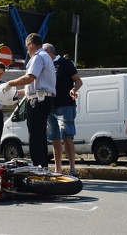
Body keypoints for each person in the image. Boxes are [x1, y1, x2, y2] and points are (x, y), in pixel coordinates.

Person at [4, 33, 56, 168]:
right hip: (43, 99)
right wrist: (17, 92)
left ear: (31, 44)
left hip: (38, 101)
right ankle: (42, 166)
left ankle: (38, 166)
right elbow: (34, 85)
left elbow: (30, 78)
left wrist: (9, 84)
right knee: (40, 135)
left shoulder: (37, 57)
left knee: (34, 136)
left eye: (27, 47)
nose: (27, 50)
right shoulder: (46, 56)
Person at [43, 43, 83, 176]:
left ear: (48, 52)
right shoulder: (44, 65)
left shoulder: (65, 63)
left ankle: (72, 169)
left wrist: (74, 89)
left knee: (66, 136)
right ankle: (57, 170)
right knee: (54, 138)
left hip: (65, 106)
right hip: (49, 107)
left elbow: (78, 81)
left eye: (42, 53)